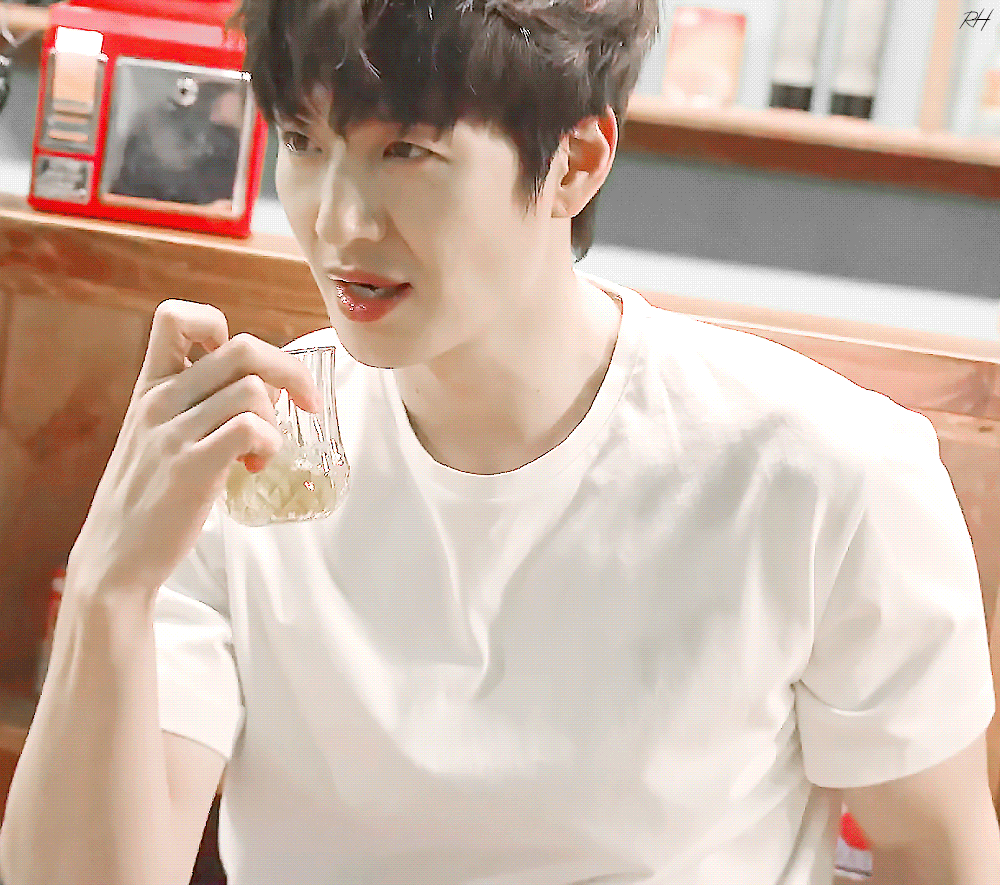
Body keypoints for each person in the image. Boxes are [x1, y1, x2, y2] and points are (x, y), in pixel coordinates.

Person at [1, 0, 999, 884]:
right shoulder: (253, 450)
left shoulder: (828, 469)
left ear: (574, 162)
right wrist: (109, 584)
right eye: (304, 140)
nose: (339, 219)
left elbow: (938, 855)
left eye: (406, 151)